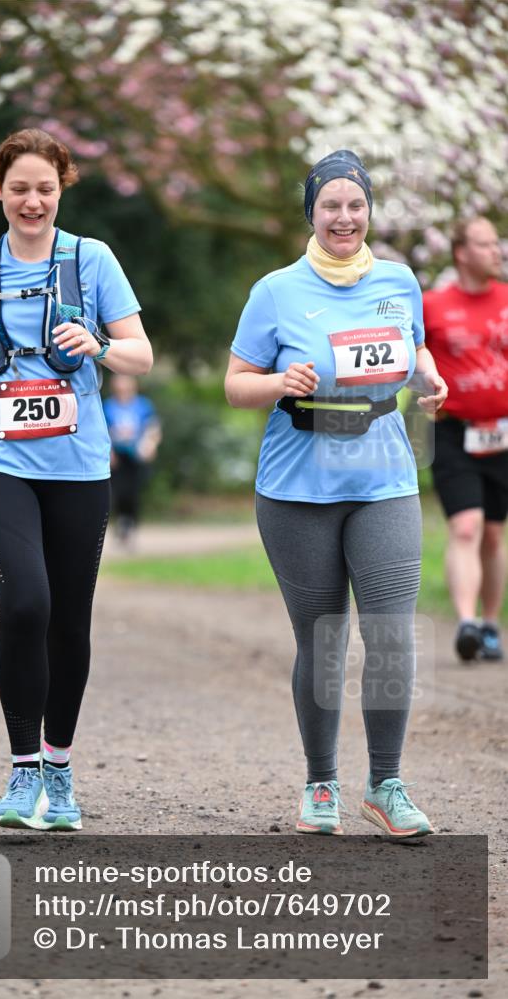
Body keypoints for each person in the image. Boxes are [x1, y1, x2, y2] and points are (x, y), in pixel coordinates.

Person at [0, 128, 153, 829]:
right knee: (26, 603)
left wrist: (100, 344)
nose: (32, 201)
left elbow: (140, 354)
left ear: (62, 190)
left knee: (69, 620)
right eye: (19, 188)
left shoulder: (91, 260)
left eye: (45, 189)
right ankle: (23, 773)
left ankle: (59, 766)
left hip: (78, 463)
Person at [225, 149, 448, 838]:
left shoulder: (399, 280)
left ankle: (386, 784)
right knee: (323, 642)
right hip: (298, 487)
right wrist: (276, 383)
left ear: (368, 211)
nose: (344, 217)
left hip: (384, 478)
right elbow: (236, 385)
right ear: (311, 213)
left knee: (391, 637)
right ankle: (320, 782)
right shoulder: (275, 292)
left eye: (355, 205)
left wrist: (428, 376)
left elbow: (413, 346)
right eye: (330, 206)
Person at [423, 217, 507, 663]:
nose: (497, 251)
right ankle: (466, 624)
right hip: (452, 432)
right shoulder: (431, 305)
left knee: (492, 534)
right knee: (466, 526)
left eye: (497, 243)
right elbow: (411, 358)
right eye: (486, 244)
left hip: (502, 434)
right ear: (461, 252)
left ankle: (490, 624)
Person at [103, 373, 161, 544]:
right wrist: (109, 452)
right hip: (117, 455)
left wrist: (150, 445)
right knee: (117, 491)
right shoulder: (108, 406)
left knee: (133, 492)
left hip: (136, 454)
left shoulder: (143, 405)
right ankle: (121, 521)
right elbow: (103, 430)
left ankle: (131, 523)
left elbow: (153, 428)